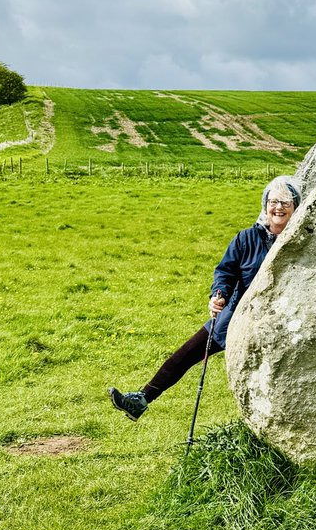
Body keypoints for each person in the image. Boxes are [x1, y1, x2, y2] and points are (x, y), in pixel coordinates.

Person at [109, 175, 302, 420]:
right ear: (265, 205)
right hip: (236, 315)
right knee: (188, 352)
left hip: (278, 321)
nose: (278, 208)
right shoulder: (246, 238)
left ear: (296, 206)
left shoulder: (299, 242)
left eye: (285, 203)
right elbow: (226, 271)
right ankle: (142, 399)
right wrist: (218, 295)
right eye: (273, 201)